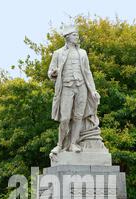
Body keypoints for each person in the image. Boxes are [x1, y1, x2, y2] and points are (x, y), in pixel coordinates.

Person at [48, 25, 101, 156]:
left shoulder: (82, 53)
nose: (77, 37)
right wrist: (54, 73)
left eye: (77, 35)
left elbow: (88, 73)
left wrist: (93, 91)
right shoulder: (58, 53)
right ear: (67, 37)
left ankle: (73, 143)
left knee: (78, 116)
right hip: (66, 87)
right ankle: (60, 145)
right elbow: (50, 72)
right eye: (74, 35)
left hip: (81, 87)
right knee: (65, 118)